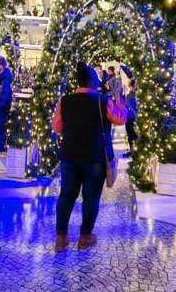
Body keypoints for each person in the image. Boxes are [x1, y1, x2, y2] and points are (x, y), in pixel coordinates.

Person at [51, 62, 127, 252]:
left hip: (70, 157)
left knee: (66, 196)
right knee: (91, 198)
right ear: (92, 80)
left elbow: (57, 127)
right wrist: (118, 97)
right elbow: (121, 119)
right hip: (95, 158)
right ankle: (85, 237)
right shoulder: (103, 101)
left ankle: (61, 238)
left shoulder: (65, 101)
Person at [124, 79, 138, 156]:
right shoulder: (131, 94)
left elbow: (127, 105)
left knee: (132, 135)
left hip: (131, 117)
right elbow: (128, 106)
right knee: (132, 135)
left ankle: (133, 151)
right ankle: (133, 151)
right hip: (131, 117)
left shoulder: (132, 94)